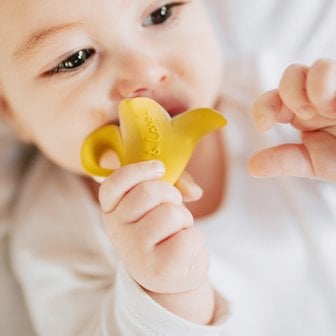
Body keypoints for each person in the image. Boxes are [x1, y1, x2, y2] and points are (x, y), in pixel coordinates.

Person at [0, 0, 335, 335]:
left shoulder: (287, 107)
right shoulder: (55, 233)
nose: (143, 72)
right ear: (9, 109)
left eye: (160, 14)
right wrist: (165, 295)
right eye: (75, 58)